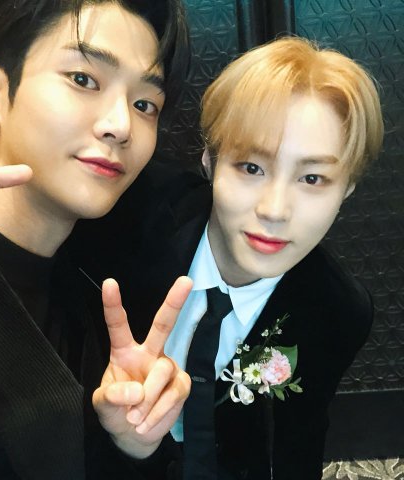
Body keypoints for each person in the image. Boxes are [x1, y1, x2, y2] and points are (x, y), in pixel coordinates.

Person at [78, 36, 384, 479]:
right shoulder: (127, 211)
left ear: (347, 190)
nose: (274, 210)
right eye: (251, 168)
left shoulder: (338, 311)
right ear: (210, 161)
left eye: (313, 178)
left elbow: (299, 435)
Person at [0, 1, 193, 479]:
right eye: (83, 79)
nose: (121, 126)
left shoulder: (102, 281)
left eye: (144, 104)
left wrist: (132, 444)